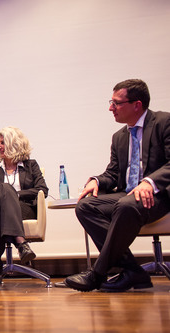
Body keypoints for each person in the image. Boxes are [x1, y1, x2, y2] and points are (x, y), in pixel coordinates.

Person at [65, 79, 170, 292]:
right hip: (128, 194)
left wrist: (150, 182)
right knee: (86, 206)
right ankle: (133, 271)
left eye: (116, 103)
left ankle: (97, 274)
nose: (110, 108)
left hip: (159, 195)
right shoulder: (119, 137)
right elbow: (113, 173)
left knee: (126, 205)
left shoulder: (164, 122)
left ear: (136, 105)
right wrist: (97, 180)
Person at [0, 127, 48, 292]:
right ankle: (21, 243)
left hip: (23, 210)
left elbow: (43, 190)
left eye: (3, 143)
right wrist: (0, 195)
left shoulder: (30, 165)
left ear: (14, 144)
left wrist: (13, 195)